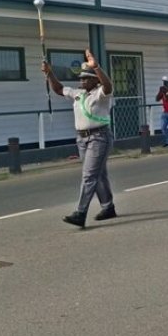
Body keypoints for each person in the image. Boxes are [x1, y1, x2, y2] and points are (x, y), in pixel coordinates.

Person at [41, 49, 116, 228]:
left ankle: (80, 213)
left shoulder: (101, 94)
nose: (82, 81)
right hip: (82, 139)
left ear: (95, 80)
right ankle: (108, 207)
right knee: (98, 174)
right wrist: (50, 73)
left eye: (86, 78)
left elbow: (108, 86)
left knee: (89, 175)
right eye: (81, 78)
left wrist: (96, 67)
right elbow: (59, 89)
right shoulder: (78, 93)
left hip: (99, 137)